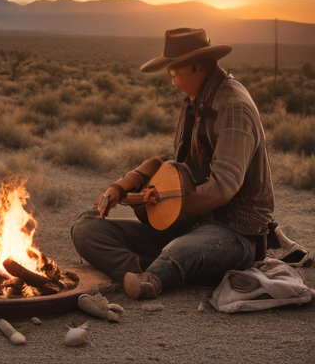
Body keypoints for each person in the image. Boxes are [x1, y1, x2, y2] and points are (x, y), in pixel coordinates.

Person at [71, 27, 275, 300]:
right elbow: (174, 164)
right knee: (86, 228)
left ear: (199, 65)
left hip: (231, 232)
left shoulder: (233, 107)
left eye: (176, 67)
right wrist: (122, 187)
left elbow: (223, 187)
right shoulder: (194, 102)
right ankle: (143, 270)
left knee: (182, 250)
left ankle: (153, 279)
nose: (171, 73)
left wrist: (162, 197)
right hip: (184, 224)